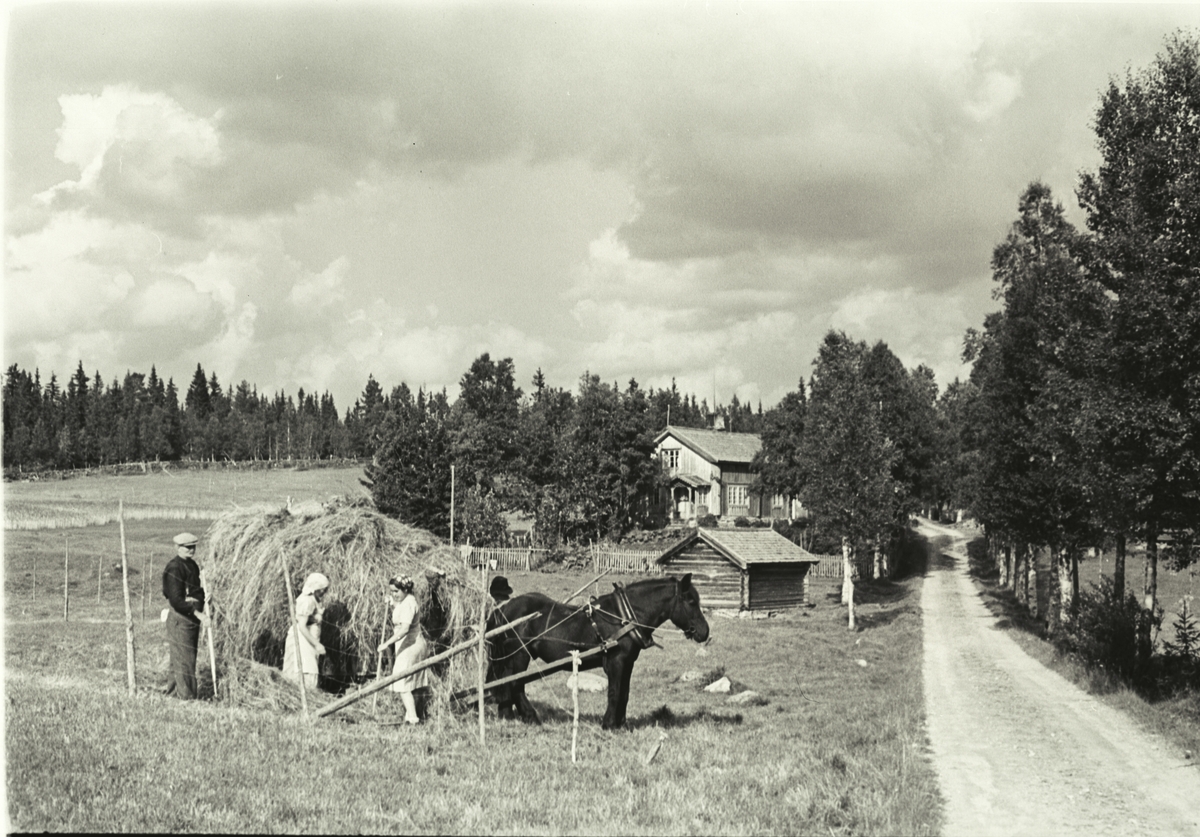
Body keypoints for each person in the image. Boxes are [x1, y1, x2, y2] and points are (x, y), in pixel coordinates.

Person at [162, 532, 208, 700]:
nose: (191, 550)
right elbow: (175, 599)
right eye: (187, 547)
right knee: (185, 661)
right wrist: (197, 612)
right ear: (177, 548)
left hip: (191, 619)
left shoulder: (192, 565)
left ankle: (173, 695)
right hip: (181, 619)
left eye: (193, 547)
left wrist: (202, 598)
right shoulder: (174, 567)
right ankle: (187, 699)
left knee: (179, 660)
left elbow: (197, 589)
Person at [379, 575, 426, 725]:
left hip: (412, 645)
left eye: (396, 591)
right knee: (407, 682)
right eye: (391, 591)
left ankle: (413, 719)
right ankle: (410, 716)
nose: (394, 594)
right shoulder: (404, 600)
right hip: (405, 645)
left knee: (402, 682)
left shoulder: (409, 604)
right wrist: (391, 601)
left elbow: (404, 629)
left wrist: (386, 644)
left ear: (405, 589)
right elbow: (398, 605)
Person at [283, 572, 329, 690]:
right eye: (322, 589)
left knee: (309, 667)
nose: (324, 592)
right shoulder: (307, 601)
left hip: (308, 641)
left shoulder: (314, 599)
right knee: (305, 669)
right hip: (303, 640)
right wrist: (317, 644)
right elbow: (302, 626)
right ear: (316, 588)